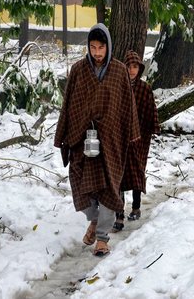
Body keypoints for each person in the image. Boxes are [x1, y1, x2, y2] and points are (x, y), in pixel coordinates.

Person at [54, 23, 140, 257]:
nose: (97, 52)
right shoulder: (79, 70)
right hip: (82, 138)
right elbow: (69, 104)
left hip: (111, 140)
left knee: (110, 188)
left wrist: (131, 135)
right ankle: (93, 220)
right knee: (80, 185)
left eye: (101, 47)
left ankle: (102, 237)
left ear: (108, 46)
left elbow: (127, 105)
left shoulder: (119, 71)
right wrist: (63, 134)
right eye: (92, 47)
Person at [113, 50, 161, 232]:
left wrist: (153, 128)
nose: (132, 70)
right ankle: (119, 213)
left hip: (140, 138)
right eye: (129, 66)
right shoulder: (118, 87)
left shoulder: (144, 88)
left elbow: (151, 110)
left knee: (137, 171)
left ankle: (136, 206)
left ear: (139, 68)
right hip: (121, 137)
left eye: (135, 67)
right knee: (120, 173)